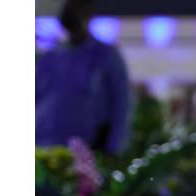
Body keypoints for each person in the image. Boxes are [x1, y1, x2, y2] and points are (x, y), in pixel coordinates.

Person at [35, 0, 131, 155]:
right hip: (46, 146)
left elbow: (121, 103)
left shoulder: (105, 55)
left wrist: (113, 147)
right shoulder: (49, 58)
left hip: (90, 150)